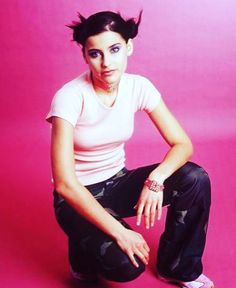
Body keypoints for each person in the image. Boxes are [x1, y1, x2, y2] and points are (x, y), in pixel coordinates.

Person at [46, 10, 214, 288]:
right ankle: (82, 255)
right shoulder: (69, 97)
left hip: (116, 183)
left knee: (194, 178)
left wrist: (155, 180)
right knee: (128, 264)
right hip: (75, 197)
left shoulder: (139, 87)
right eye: (95, 54)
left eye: (114, 49)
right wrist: (120, 233)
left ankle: (179, 268)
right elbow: (64, 184)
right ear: (85, 56)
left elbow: (183, 144)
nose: (106, 63)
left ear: (129, 47)